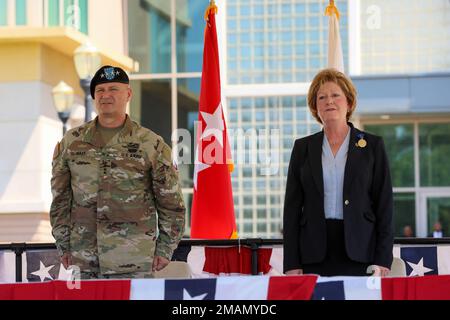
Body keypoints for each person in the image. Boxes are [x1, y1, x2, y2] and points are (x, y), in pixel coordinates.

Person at [50, 65, 186, 279]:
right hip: (84, 262)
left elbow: (171, 203)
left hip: (134, 260)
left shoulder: (150, 144)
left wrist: (165, 248)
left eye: (113, 89)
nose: (106, 96)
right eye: (100, 91)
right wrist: (63, 246)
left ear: (128, 94)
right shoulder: (71, 143)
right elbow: (60, 200)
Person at [283, 68, 394, 277]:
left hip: (361, 254)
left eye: (336, 95)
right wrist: (291, 262)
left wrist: (383, 259)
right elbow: (291, 211)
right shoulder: (302, 148)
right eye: (322, 97)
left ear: (349, 103)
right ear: (315, 107)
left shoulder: (372, 146)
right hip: (313, 254)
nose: (329, 101)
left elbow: (385, 206)